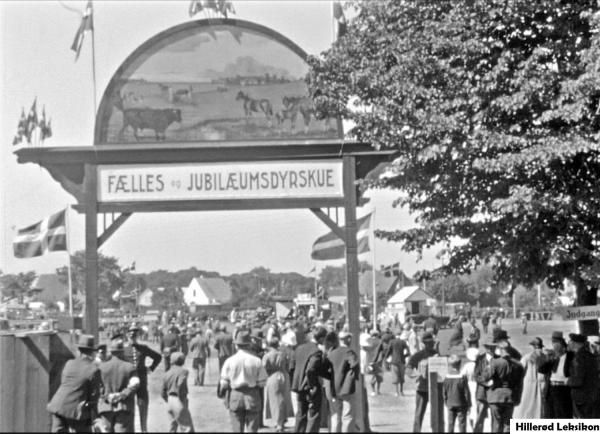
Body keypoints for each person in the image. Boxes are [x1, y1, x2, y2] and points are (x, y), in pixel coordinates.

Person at [47, 334, 103, 433]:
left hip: (58, 405)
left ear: (79, 350)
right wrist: (96, 418)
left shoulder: (69, 363)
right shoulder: (94, 369)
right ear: (92, 352)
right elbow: (94, 396)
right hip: (76, 411)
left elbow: (65, 382)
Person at [220, 330, 268, 433]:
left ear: (237, 346)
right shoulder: (256, 361)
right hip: (252, 393)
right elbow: (262, 382)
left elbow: (224, 383)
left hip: (235, 394)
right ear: (249, 345)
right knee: (252, 427)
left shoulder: (229, 361)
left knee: (236, 427)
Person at [122, 324, 162, 433]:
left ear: (137, 336)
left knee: (143, 404)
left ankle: (144, 429)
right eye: (131, 335)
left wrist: (151, 368)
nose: (133, 337)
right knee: (129, 406)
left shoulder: (143, 348)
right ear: (127, 336)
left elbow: (158, 357)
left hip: (142, 381)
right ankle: (131, 430)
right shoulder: (123, 350)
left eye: (135, 335)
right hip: (129, 382)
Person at [292, 326, 331, 433]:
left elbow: (292, 367)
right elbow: (311, 369)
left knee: (301, 413)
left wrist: (296, 382)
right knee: (314, 414)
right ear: (322, 338)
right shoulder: (316, 351)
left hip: (299, 386)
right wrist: (312, 385)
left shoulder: (299, 348)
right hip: (310, 386)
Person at [97, 336, 140, 433]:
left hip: (105, 407)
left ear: (111, 352)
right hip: (124, 408)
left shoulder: (101, 368)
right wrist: (121, 394)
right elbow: (135, 385)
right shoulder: (130, 367)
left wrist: (107, 396)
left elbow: (97, 387)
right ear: (122, 351)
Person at [482, 340, 524, 433]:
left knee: (496, 424)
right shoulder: (518, 365)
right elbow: (519, 383)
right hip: (510, 396)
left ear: (500, 350)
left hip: (495, 395)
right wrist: (517, 397)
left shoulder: (495, 362)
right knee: (508, 424)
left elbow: (485, 377)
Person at [328, 330, 360, 433]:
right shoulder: (348, 351)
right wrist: (353, 375)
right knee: (347, 416)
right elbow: (354, 364)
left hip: (333, 388)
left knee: (335, 416)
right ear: (348, 339)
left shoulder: (331, 353)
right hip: (346, 388)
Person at [406, 332, 438, 432]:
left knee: (437, 413)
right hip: (422, 389)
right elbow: (408, 369)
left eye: (432, 343)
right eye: (428, 343)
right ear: (423, 344)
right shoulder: (417, 356)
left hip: (436, 389)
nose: (431, 345)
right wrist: (417, 375)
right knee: (419, 413)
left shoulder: (437, 355)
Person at [262, 337, 294, 433]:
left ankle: (278, 422)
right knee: (284, 398)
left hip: (272, 376)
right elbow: (288, 365)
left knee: (275, 400)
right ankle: (283, 419)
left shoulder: (267, 356)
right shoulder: (283, 355)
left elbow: (263, 368)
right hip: (284, 375)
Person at [538, 331, 572, 418]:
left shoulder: (569, 357)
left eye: (556, 344)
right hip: (551, 389)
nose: (554, 346)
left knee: (562, 415)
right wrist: (550, 359)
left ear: (563, 345)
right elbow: (541, 369)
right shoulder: (552, 359)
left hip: (563, 389)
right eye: (553, 343)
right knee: (549, 415)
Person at [566, 333, 599, 418]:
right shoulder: (590, 356)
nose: (568, 343)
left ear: (575, 343)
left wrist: (568, 381)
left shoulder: (579, 358)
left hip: (582, 398)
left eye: (570, 341)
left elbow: (578, 380)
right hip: (592, 396)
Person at [513, 337, 546, 419]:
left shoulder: (527, 358)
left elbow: (519, 372)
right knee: (537, 408)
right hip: (538, 386)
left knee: (525, 408)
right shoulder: (544, 357)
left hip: (528, 386)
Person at [162, 352, 194, 433]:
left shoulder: (167, 373)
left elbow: (163, 391)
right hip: (178, 399)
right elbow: (180, 384)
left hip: (169, 400)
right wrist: (181, 398)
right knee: (187, 428)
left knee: (172, 427)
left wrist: (168, 399)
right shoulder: (183, 371)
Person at [473, 339, 497, 432]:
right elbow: (476, 375)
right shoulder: (479, 359)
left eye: (493, 347)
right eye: (489, 347)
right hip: (482, 393)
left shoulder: (498, 359)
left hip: (494, 393)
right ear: (486, 348)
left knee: (495, 419)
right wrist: (485, 383)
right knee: (479, 418)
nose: (491, 349)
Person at [443, 355, 471, 433]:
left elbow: (444, 392)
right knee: (462, 424)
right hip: (461, 404)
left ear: (450, 365)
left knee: (450, 423)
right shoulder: (462, 377)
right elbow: (466, 392)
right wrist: (469, 403)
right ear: (460, 364)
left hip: (450, 403)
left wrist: (446, 402)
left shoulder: (446, 377)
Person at [460, 337, 479, 431]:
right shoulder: (479, 365)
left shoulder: (467, 366)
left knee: (470, 404)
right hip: (477, 385)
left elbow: (462, 376)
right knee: (476, 404)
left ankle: (472, 424)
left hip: (469, 384)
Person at [384, 329, 411, 396]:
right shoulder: (403, 342)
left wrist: (386, 357)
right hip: (402, 361)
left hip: (394, 361)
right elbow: (408, 351)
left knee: (395, 376)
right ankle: (401, 391)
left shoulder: (392, 342)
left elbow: (389, 351)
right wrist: (404, 356)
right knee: (401, 376)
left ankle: (396, 392)